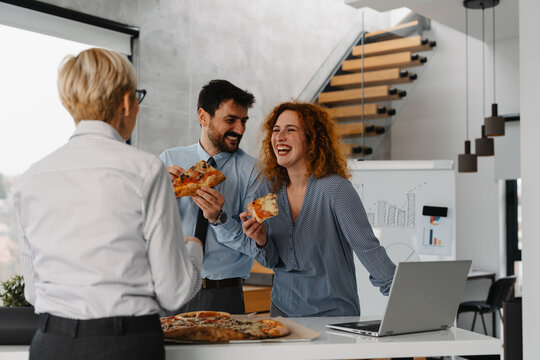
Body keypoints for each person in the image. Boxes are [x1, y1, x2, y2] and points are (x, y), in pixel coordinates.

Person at [12, 48, 203, 360]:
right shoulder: (145, 170)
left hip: (51, 344)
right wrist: (193, 249)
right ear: (126, 102)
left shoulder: (31, 178)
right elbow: (175, 292)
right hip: (125, 345)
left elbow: (34, 293)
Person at [240, 102, 396, 317]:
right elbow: (273, 261)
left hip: (333, 316)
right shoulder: (268, 190)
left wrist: (408, 301)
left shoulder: (335, 189)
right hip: (282, 312)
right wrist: (261, 239)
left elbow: (368, 249)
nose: (280, 137)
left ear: (312, 139)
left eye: (290, 130)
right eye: (276, 130)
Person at [160, 79, 261, 314]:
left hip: (223, 295)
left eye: (243, 121)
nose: (240, 130)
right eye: (230, 120)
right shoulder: (167, 160)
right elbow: (143, 228)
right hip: (171, 290)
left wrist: (220, 220)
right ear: (203, 117)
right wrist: (157, 197)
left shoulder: (254, 172)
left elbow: (257, 246)